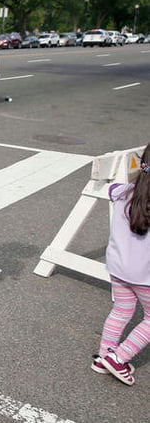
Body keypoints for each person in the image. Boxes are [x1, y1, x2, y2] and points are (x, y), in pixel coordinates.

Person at [92, 144, 150, 386]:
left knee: (121, 310)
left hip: (118, 268)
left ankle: (104, 356)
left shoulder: (121, 192)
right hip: (145, 275)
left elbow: (112, 187)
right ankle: (119, 357)